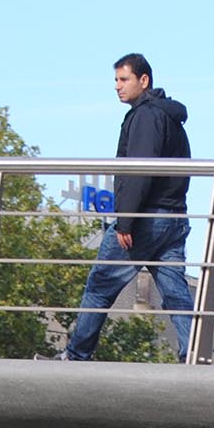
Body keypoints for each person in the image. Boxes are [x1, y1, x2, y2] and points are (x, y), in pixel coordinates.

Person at [64, 53, 195, 362]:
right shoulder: (170, 117)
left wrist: (126, 221)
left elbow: (139, 170)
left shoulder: (146, 116)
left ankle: (76, 356)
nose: (117, 87)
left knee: (100, 284)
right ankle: (194, 353)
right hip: (174, 217)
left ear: (143, 80)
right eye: (115, 80)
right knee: (175, 291)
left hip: (146, 218)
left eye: (123, 80)